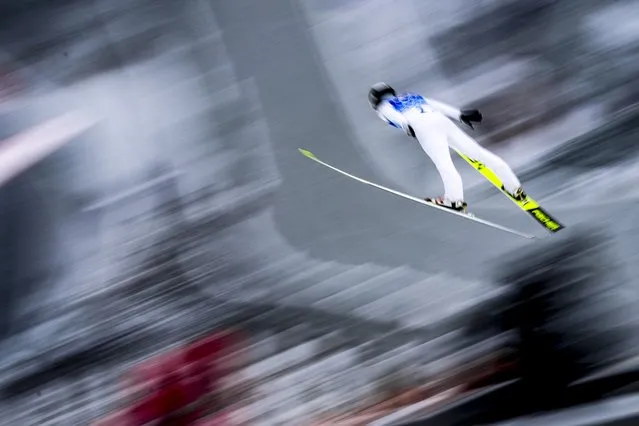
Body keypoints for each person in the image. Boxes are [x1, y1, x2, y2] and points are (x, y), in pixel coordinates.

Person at [368, 82, 526, 212]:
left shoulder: (382, 107)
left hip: (422, 126)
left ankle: (454, 200)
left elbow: (391, 114)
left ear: (375, 100)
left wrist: (405, 125)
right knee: (478, 153)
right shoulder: (410, 96)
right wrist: (460, 115)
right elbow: (435, 105)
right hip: (440, 119)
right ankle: (514, 187)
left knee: (444, 165)